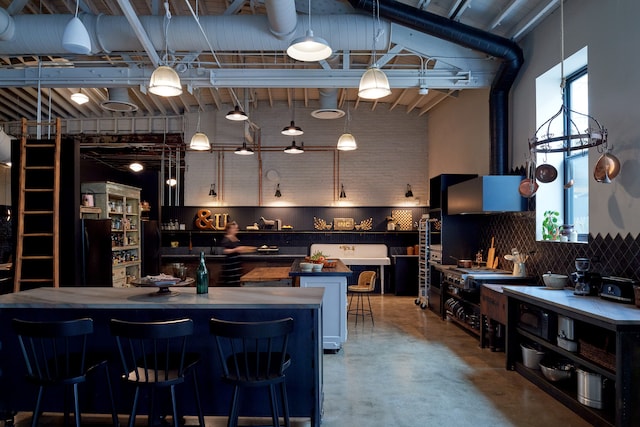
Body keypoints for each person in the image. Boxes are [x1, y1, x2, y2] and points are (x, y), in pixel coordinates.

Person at [220, 221, 252, 286]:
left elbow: (239, 248)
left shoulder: (235, 238)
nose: (236, 229)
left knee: (237, 282)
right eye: (233, 228)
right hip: (230, 266)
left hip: (236, 265)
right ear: (228, 229)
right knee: (231, 284)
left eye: (236, 228)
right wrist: (235, 250)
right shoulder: (226, 239)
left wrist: (247, 249)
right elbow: (225, 251)